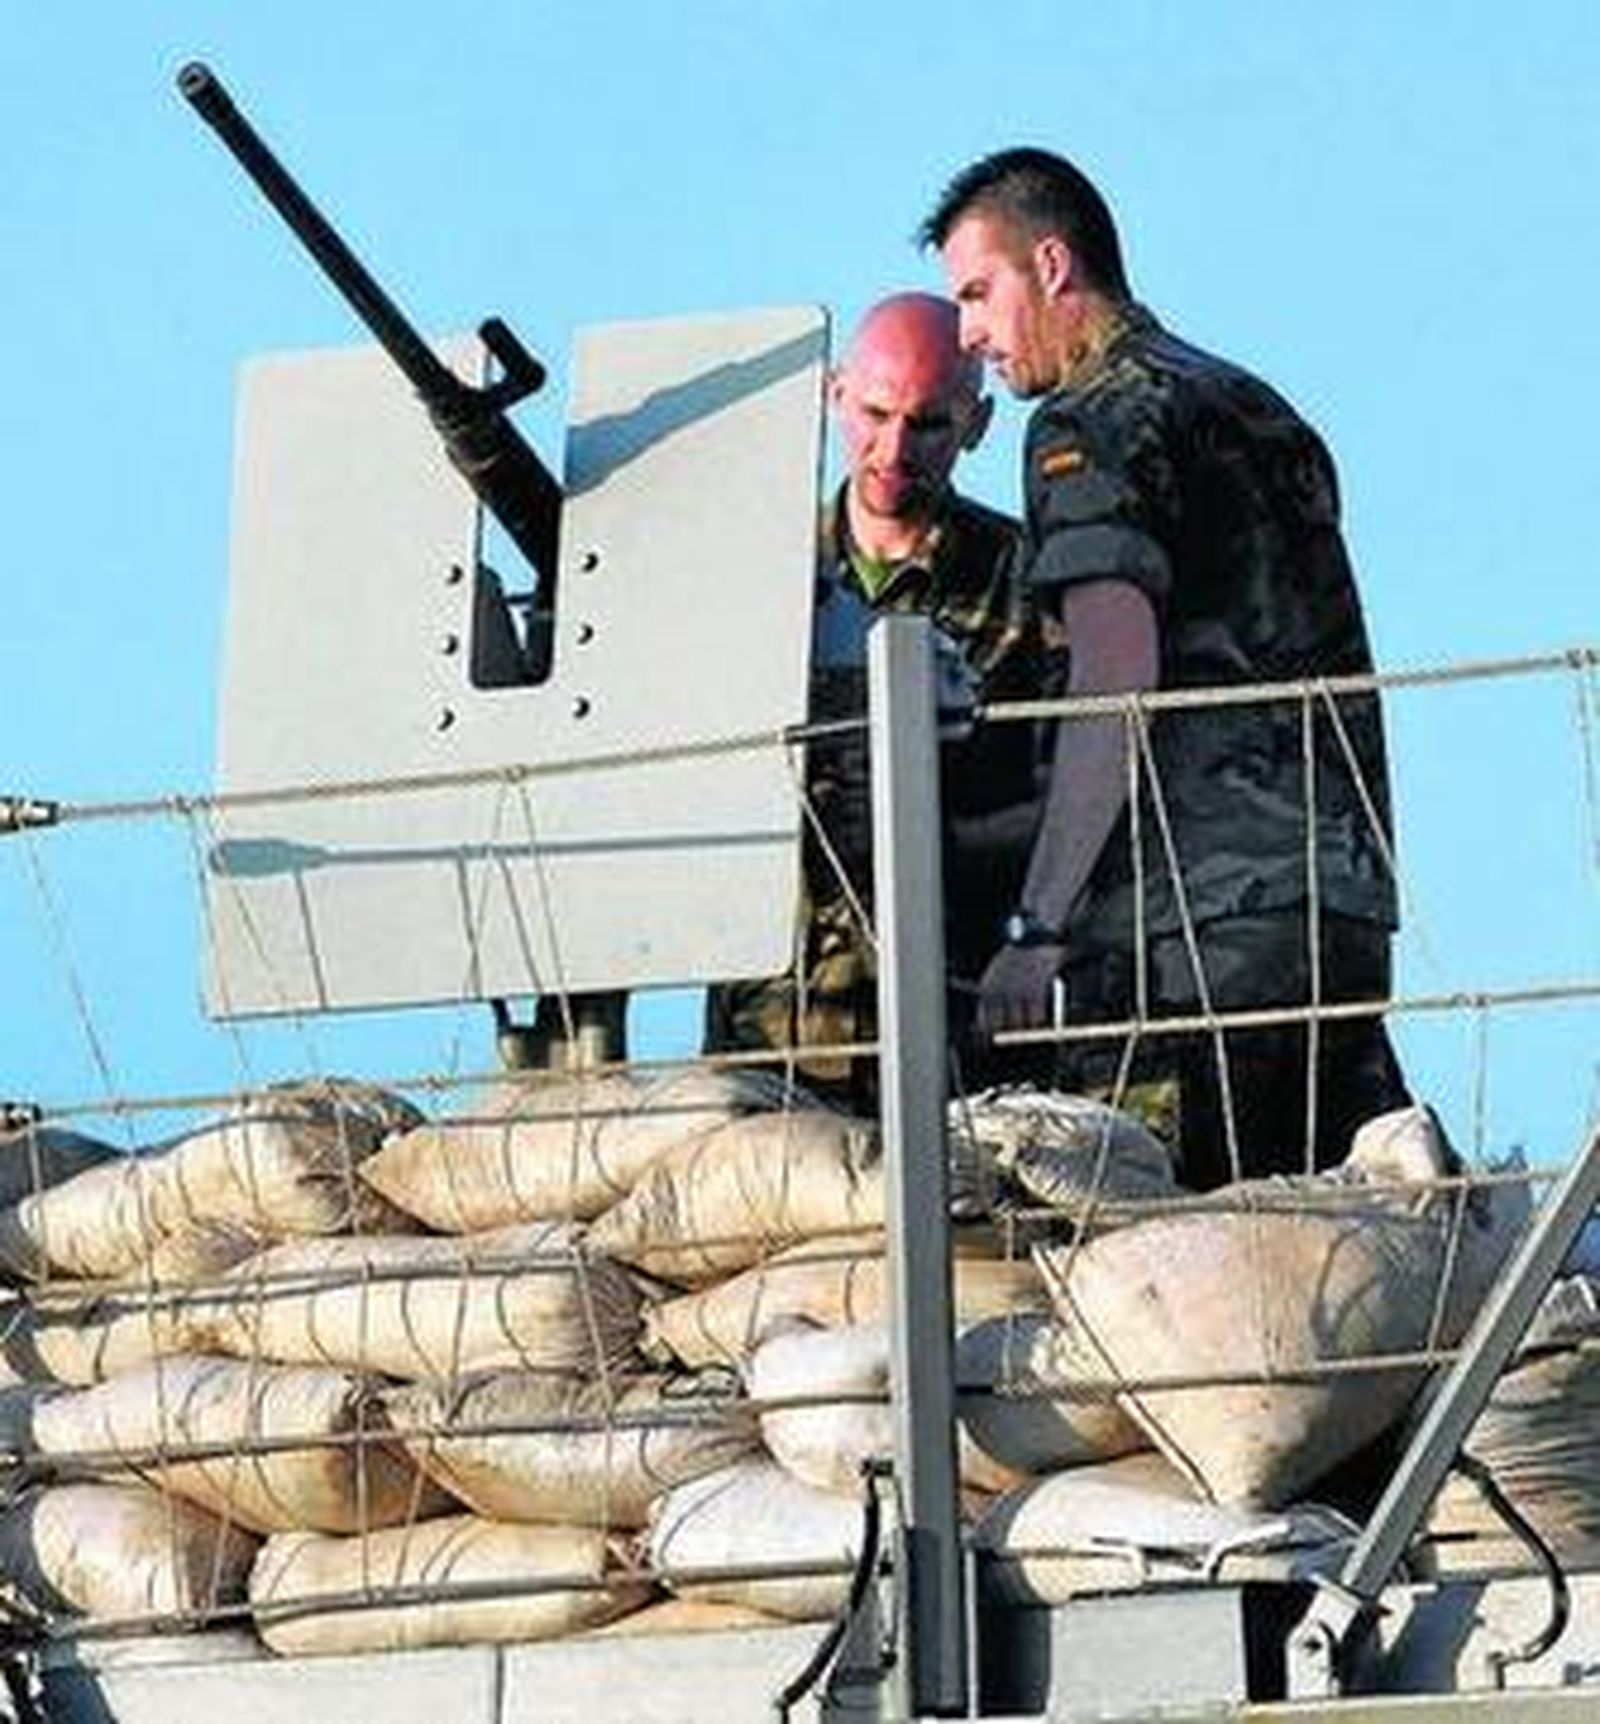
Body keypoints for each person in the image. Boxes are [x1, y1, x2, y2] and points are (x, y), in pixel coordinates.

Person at [922, 147, 1412, 1188]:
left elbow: (1113, 675)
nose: (968, 332)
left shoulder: (1089, 422)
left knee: (1162, 1257)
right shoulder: (1252, 404)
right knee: (1349, 1238)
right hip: (1331, 907)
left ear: (1050, 265)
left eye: (976, 291)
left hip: (1180, 933)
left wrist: (1037, 920)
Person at [704, 292, 1048, 1111]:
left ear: (977, 424)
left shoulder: (1028, 585)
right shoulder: (759, 580)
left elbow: (1064, 796)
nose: (893, 449)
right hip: (771, 1021)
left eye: (928, 424)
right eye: (875, 413)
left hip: (956, 1025)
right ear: (834, 396)